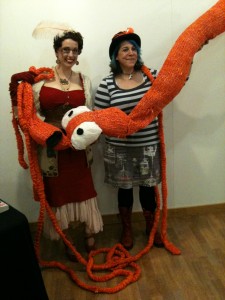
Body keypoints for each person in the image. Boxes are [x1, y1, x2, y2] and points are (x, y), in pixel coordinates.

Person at [9, 25, 103, 261]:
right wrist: (16, 92)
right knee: (59, 193)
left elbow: (89, 111)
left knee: (84, 189)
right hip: (52, 147)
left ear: (78, 54)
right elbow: (29, 115)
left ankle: (89, 233)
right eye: (65, 50)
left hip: (78, 146)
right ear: (57, 52)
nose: (70, 55)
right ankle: (67, 237)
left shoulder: (85, 80)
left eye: (75, 50)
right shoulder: (41, 81)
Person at [94, 28, 163, 250]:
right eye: (125, 49)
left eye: (134, 48)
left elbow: (173, 86)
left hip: (148, 146)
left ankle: (151, 228)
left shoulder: (152, 76)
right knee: (125, 191)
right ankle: (127, 229)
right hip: (119, 150)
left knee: (147, 189)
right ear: (116, 55)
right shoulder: (107, 84)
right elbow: (100, 117)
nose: (131, 52)